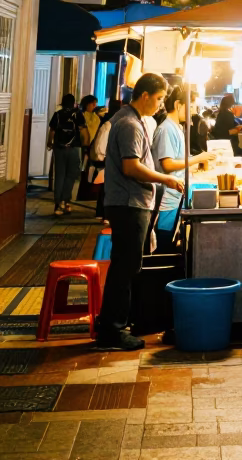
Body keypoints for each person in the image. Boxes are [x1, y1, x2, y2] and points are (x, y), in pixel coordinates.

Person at [95, 72, 184, 351]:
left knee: (127, 265)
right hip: (129, 203)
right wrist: (165, 179)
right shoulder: (130, 124)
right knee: (125, 267)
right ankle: (112, 331)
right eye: (158, 99)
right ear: (145, 96)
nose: (159, 105)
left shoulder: (131, 119)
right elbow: (131, 167)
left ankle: (115, 325)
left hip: (131, 203)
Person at [152, 86, 206, 250]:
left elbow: (178, 159)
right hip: (167, 201)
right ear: (178, 105)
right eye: (191, 107)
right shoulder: (166, 129)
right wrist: (197, 158)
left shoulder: (177, 128)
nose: (193, 113)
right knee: (164, 247)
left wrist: (194, 164)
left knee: (171, 243)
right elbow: (167, 164)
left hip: (176, 196)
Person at [47, 94, 89, 216]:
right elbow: (84, 131)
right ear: (74, 103)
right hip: (74, 148)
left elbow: (52, 131)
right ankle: (66, 201)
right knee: (71, 176)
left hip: (59, 148)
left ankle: (57, 204)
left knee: (59, 175)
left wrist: (50, 143)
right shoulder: (78, 114)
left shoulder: (58, 114)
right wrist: (85, 145)